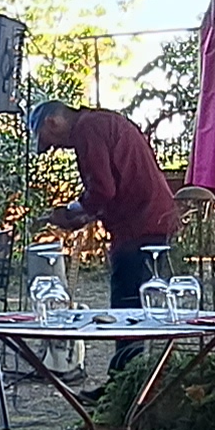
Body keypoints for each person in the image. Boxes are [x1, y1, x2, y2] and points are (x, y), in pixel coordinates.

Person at [30, 101, 181, 309]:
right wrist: (81, 215)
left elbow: (102, 189)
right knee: (146, 303)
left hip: (139, 224)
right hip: (154, 218)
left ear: (52, 122)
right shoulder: (100, 122)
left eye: (51, 143)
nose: (57, 148)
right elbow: (109, 191)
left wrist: (71, 211)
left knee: (127, 308)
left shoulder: (87, 128)